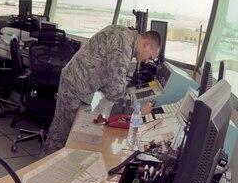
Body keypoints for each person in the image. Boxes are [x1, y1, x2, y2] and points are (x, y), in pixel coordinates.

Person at [45, 26, 161, 154]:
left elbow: (110, 79)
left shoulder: (125, 35)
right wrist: (138, 110)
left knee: (61, 129)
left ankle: (49, 162)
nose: (146, 61)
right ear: (147, 44)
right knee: (63, 133)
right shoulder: (123, 45)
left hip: (78, 83)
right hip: (76, 85)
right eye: (150, 57)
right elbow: (115, 90)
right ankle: (46, 165)